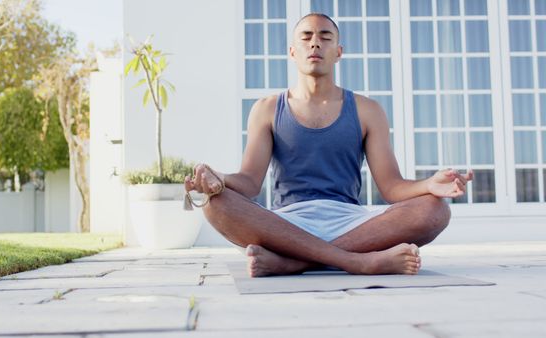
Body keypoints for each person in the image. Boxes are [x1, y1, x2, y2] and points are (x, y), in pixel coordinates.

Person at [184, 13, 473, 277]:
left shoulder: (367, 110)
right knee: (214, 203)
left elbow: (391, 187)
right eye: (306, 37)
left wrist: (429, 184)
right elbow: (249, 183)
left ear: (338, 52)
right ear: (292, 52)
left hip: (350, 222)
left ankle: (294, 263)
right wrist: (218, 179)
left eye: (325, 37)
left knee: (435, 210)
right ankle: (359, 262)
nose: (315, 44)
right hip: (286, 225)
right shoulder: (267, 109)